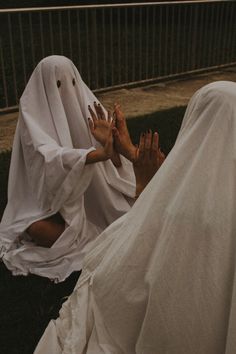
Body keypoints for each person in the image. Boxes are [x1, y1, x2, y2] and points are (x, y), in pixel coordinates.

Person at [35, 81, 236, 354]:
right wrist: (130, 151)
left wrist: (143, 185)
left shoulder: (181, 209)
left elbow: (136, 251)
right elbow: (187, 178)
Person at [0, 55, 164, 283]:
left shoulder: (91, 111)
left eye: (71, 83)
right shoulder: (32, 118)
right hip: (52, 200)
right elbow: (47, 159)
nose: (66, 91)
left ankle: (98, 233)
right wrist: (95, 154)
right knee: (35, 228)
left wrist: (113, 146)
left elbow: (115, 167)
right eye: (58, 84)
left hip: (97, 198)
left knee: (118, 211)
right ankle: (94, 233)